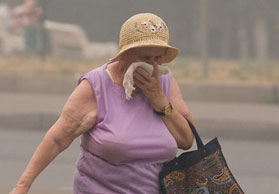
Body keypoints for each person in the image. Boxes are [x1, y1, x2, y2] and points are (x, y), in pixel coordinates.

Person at [10, 13, 195, 194]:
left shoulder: (164, 81)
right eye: (145, 59)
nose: (152, 67)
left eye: (158, 59)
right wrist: (22, 186)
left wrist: (159, 100)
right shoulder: (96, 86)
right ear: (125, 55)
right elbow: (57, 140)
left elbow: (186, 140)